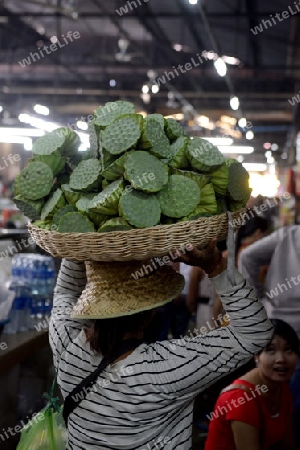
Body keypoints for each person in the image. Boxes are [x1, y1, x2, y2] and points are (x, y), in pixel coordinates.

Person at [49, 239, 273, 450]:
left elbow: (65, 292)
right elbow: (255, 332)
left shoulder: (66, 345)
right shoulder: (165, 368)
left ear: (91, 302)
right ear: (150, 312)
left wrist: (77, 242)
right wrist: (214, 264)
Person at [238, 224, 300, 447]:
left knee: (272, 387)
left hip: (276, 327)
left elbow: (247, 257)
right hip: (285, 331)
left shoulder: (290, 234)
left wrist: (258, 304)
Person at [204, 319, 299, 450]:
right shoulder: (241, 399)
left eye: (288, 350)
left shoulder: (281, 387)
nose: (281, 359)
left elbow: (288, 445)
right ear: (256, 356)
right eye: (270, 350)